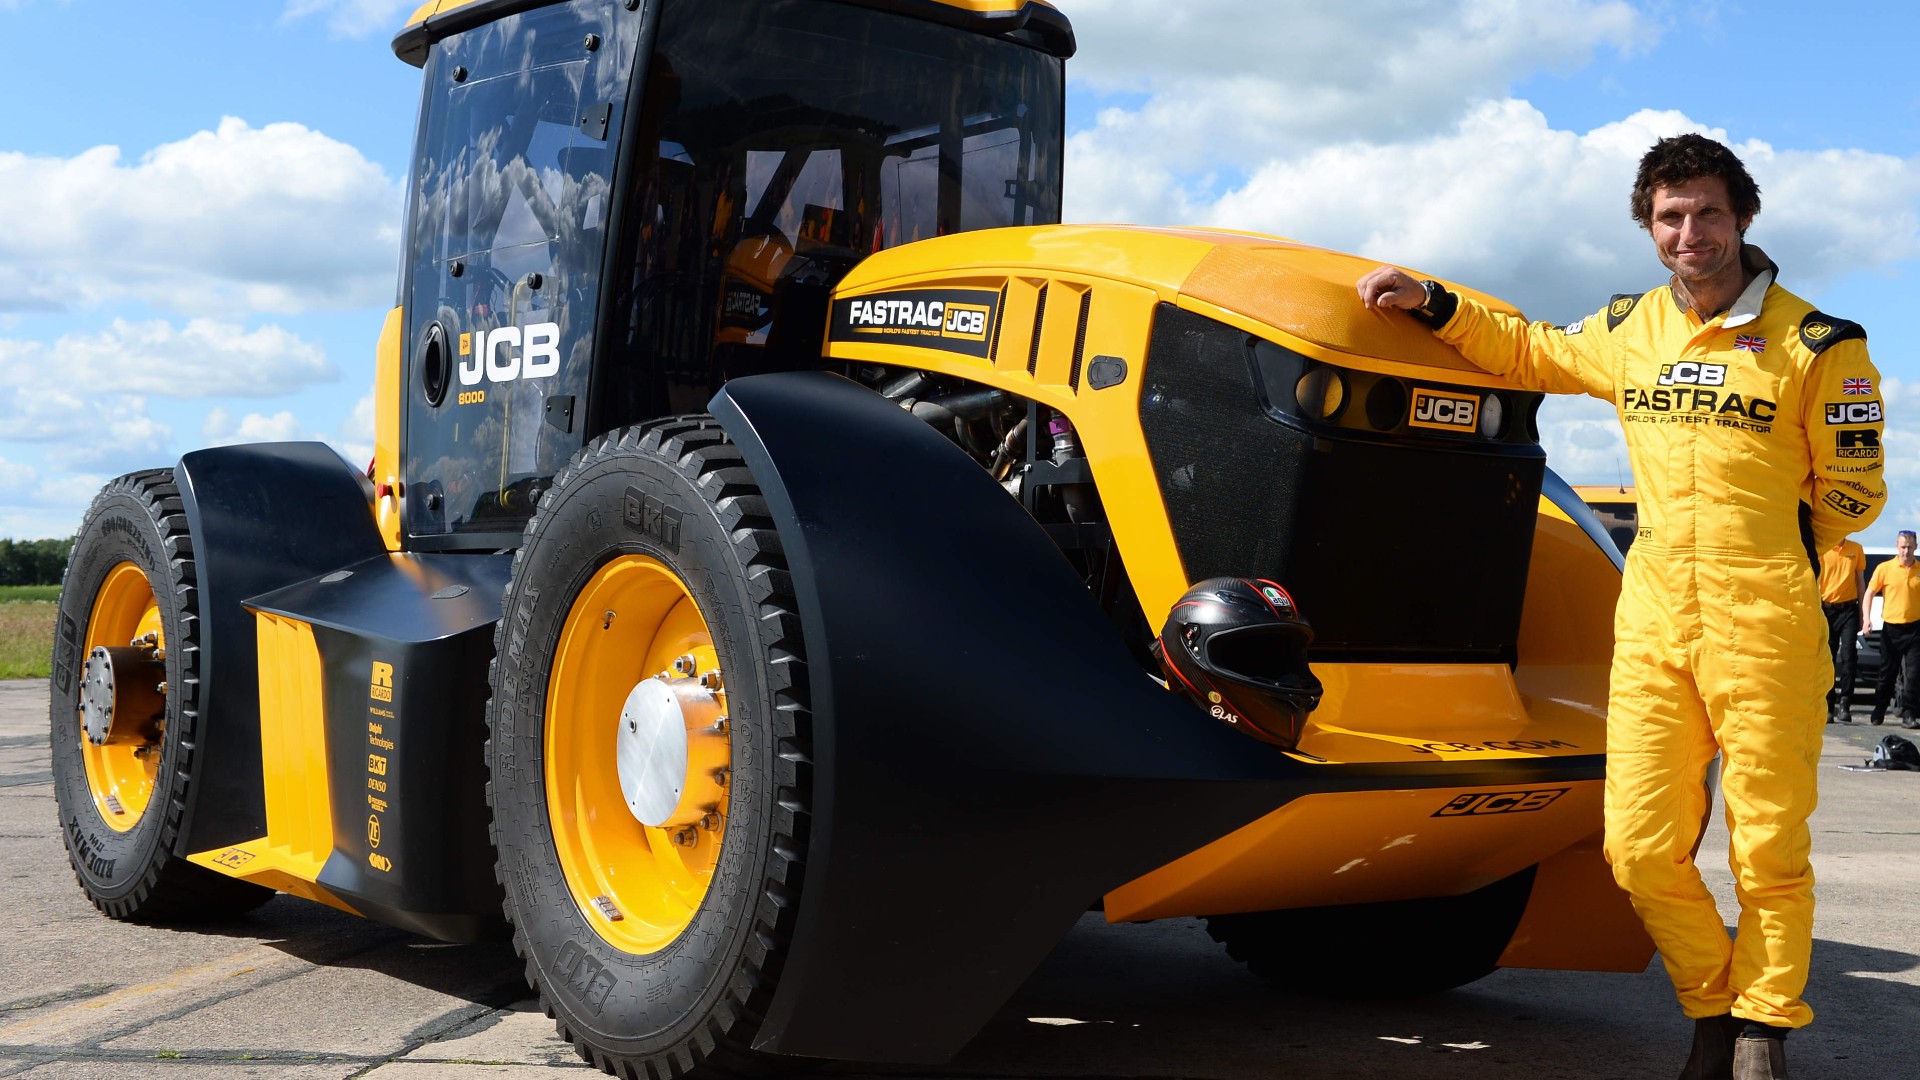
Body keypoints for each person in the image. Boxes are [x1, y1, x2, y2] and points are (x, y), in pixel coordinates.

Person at [1357, 133, 1885, 1080]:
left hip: (1764, 617)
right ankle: (1713, 1001)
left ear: (1744, 218)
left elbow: (1856, 495)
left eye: (1708, 213)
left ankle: (1759, 1028)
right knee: (1637, 847)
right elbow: (1529, 350)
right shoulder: (1629, 328)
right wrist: (1434, 303)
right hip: (1651, 621)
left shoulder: (1821, 344)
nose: (1691, 232)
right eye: (1670, 216)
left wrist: (1781, 542)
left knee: (1765, 842)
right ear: (1650, 228)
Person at [1862, 530, 1920, 729]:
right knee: (1887, 673)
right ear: (1897, 546)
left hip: (1915, 629)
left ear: (1916, 548)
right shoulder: (1885, 569)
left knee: (1914, 674)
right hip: (1891, 629)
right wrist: (1866, 619)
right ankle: (1879, 709)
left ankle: (1909, 713)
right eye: (1903, 547)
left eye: (1910, 547)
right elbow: (1869, 593)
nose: (1906, 551)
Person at [1819, 536, 1868, 723]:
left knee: (1849, 656)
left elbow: (1860, 581)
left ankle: (1845, 704)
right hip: (1827, 609)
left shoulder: (1856, 549)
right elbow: (1816, 580)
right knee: (1828, 658)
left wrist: (1863, 614)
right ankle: (1828, 705)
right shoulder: (1824, 548)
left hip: (1849, 609)